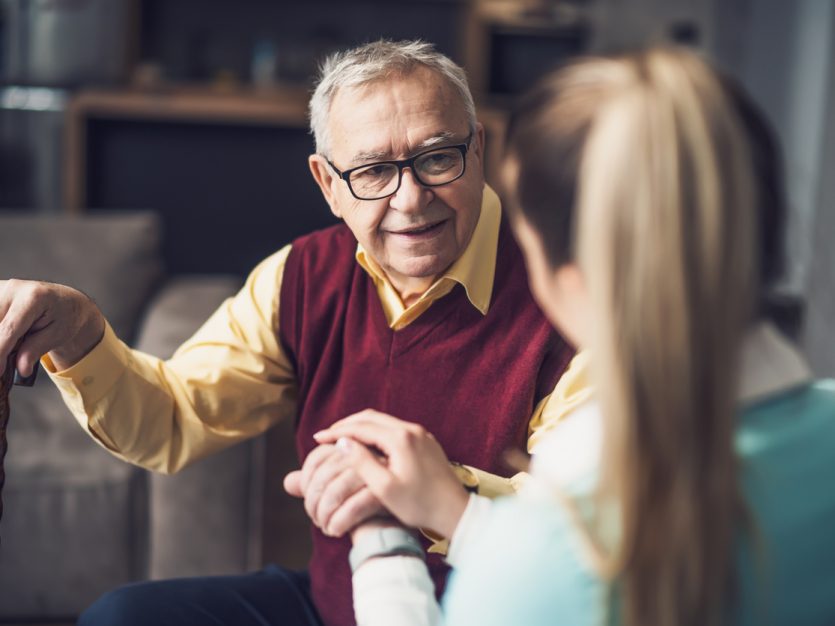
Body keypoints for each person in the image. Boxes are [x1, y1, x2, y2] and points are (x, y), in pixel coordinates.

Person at [0, 40, 576, 626]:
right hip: (337, 603)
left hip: (498, 613)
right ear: (328, 184)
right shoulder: (301, 276)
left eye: (437, 158)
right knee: (120, 618)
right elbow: (172, 419)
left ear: (478, 149)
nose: (410, 199)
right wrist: (79, 334)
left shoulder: (571, 294)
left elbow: (581, 546)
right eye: (374, 171)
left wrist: (428, 489)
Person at [313, 47, 835, 625]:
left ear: (571, 272)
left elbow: (546, 580)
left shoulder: (553, 557)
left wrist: (382, 540)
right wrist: (461, 517)